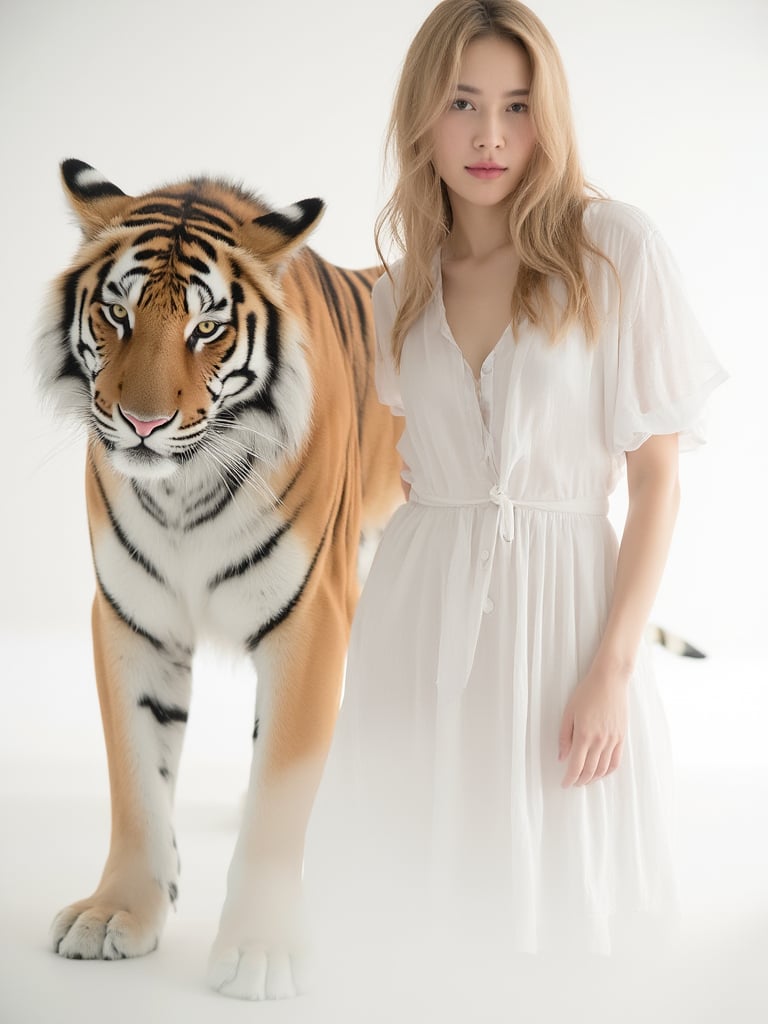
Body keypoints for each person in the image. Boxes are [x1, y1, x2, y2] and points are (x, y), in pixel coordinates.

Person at [320, 0, 727, 959]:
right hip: (419, 613)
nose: (492, 136)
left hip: (566, 608)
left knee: (565, 915)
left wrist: (614, 668)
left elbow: (657, 481)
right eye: (464, 103)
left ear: (550, 115)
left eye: (517, 104)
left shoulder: (612, 252)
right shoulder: (401, 291)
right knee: (416, 916)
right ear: (423, 112)